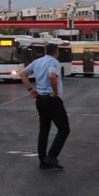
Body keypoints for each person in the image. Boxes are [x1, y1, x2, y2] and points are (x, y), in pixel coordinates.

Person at [20, 42, 69, 170]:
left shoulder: (37, 62)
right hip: (52, 99)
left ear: (46, 51)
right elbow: (52, 76)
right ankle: (52, 156)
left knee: (44, 130)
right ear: (56, 52)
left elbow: (23, 74)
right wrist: (55, 92)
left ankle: (43, 161)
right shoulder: (54, 62)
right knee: (64, 128)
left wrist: (31, 90)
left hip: (40, 99)